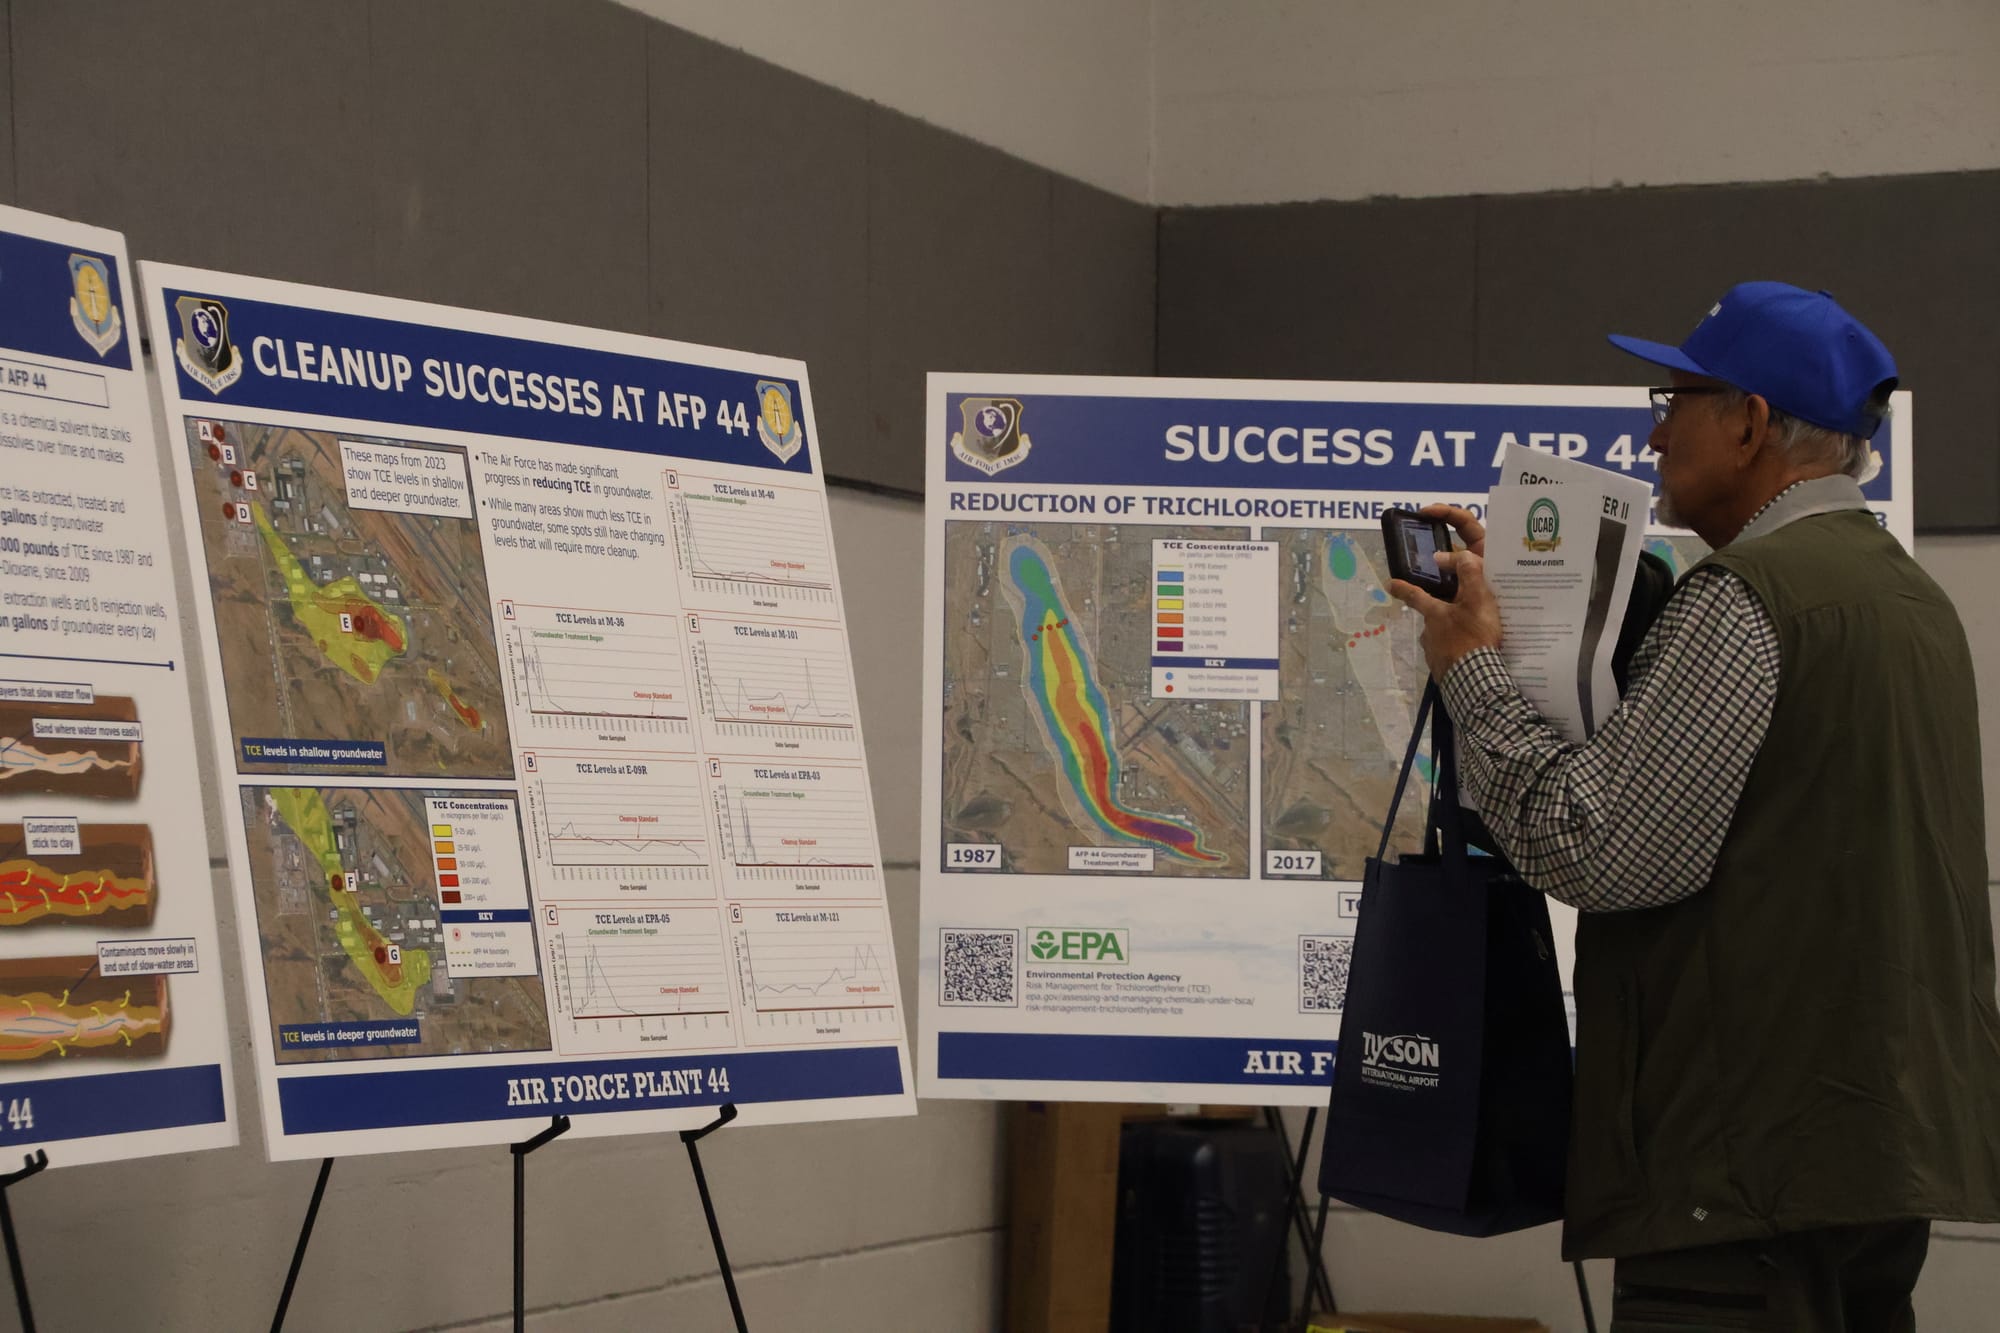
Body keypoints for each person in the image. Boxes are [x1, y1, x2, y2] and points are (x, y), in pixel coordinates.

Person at [1387, 282, 2000, 1331]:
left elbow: (1593, 848)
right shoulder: (1911, 600)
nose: (1655, 434)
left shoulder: (1745, 599)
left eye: (1675, 402)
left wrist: (1471, 668)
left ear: (1750, 423)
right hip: (1867, 1160)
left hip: (1739, 1178)